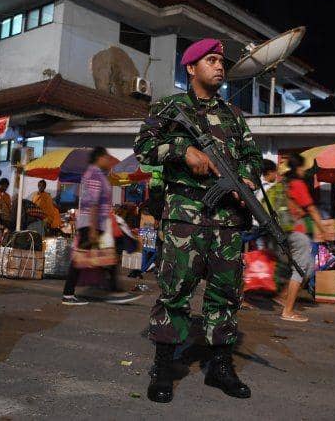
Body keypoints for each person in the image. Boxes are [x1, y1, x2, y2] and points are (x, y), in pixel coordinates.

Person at [134, 38, 261, 403]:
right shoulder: (169, 107)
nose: (220, 66)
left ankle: (220, 366)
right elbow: (143, 146)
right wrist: (181, 150)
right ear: (191, 68)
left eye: (222, 61)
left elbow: (252, 157)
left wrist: (249, 178)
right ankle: (164, 366)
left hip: (227, 220)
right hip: (184, 218)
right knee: (175, 293)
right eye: (211, 59)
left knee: (225, 296)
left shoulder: (235, 117)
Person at [61, 147, 142, 306]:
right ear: (99, 157)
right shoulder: (94, 175)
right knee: (80, 259)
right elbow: (93, 202)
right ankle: (69, 294)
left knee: (108, 258)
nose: (108, 161)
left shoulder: (97, 174)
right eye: (106, 157)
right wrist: (92, 228)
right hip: (92, 224)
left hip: (98, 224)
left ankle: (115, 291)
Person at [274, 154, 322, 323]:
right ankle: (288, 311)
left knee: (307, 268)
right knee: (301, 269)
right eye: (303, 168)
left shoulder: (285, 184)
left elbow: (294, 208)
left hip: (286, 231)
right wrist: (323, 229)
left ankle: (283, 296)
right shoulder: (298, 184)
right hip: (297, 232)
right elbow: (312, 210)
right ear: (298, 168)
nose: (305, 171)